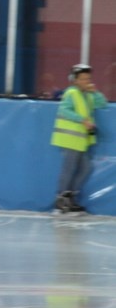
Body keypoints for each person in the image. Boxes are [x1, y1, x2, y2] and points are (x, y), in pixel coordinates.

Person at [51, 64, 107, 213]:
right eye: (83, 79)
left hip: (80, 140)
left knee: (86, 168)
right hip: (70, 138)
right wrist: (82, 120)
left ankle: (70, 196)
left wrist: (95, 92)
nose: (86, 81)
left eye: (88, 78)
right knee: (69, 169)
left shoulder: (88, 95)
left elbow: (102, 103)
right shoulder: (71, 93)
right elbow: (64, 110)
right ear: (74, 80)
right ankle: (61, 198)